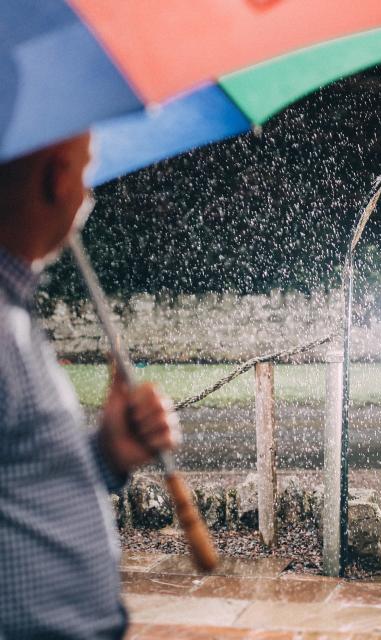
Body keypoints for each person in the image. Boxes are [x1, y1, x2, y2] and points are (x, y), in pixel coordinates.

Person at [0, 134, 179, 639]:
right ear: (58, 179)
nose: (89, 193)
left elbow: (21, 479)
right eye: (87, 171)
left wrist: (105, 454)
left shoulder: (14, 311)